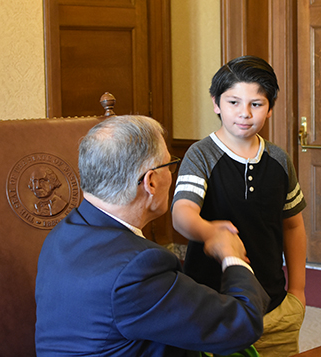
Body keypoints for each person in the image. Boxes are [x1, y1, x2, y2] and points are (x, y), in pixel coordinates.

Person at [35, 115, 270, 357]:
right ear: (151, 182)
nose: (172, 173)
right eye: (169, 165)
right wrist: (232, 257)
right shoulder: (137, 269)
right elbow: (241, 324)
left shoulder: (61, 234)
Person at [172, 55, 307, 357]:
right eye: (233, 102)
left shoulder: (279, 159)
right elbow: (182, 215)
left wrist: (297, 292)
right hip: (214, 309)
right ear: (216, 103)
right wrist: (210, 232)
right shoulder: (201, 155)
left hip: (274, 307)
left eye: (256, 104)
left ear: (270, 108)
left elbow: (293, 225)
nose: (244, 113)